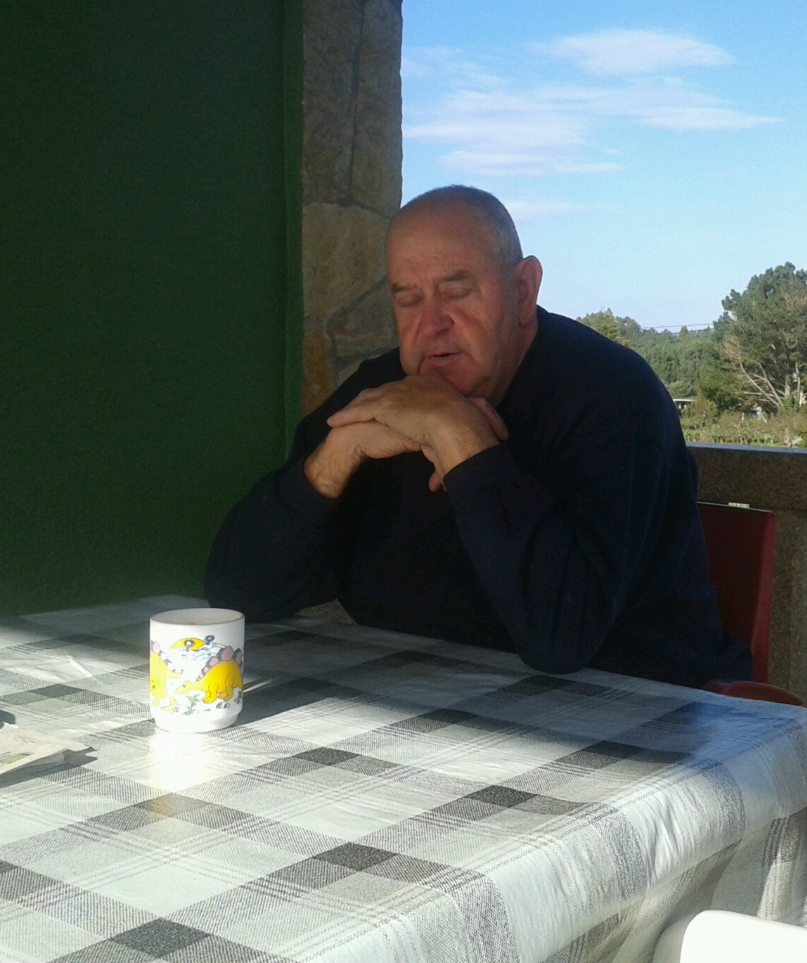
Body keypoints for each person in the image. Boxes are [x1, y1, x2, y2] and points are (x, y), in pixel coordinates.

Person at [205, 185, 751, 687]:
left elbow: (560, 639)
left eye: (456, 292)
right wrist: (337, 454)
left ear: (522, 290)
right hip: (432, 701)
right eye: (407, 299)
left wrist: (460, 438)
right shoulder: (382, 395)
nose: (431, 324)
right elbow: (237, 593)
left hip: (645, 710)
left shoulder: (614, 397)